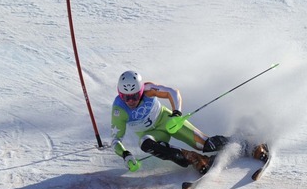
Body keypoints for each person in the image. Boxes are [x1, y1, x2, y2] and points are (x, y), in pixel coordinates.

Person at [110, 70, 259, 174]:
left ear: (141, 91)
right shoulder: (119, 110)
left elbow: (172, 92)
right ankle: (194, 159)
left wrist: (176, 114)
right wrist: (125, 155)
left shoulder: (148, 89)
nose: (130, 101)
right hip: (154, 135)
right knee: (145, 143)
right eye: (125, 97)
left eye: (135, 96)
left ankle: (247, 143)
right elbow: (116, 139)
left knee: (205, 144)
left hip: (168, 121)